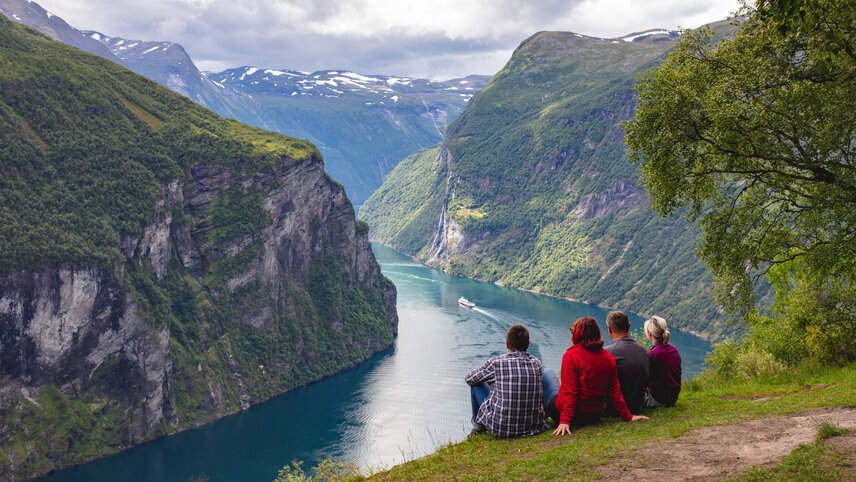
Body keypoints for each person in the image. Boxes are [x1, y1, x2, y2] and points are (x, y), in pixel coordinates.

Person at [551, 317, 649, 436]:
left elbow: (570, 392)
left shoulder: (570, 356)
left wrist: (565, 421)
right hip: (594, 415)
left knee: (548, 378)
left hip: (571, 416)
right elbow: (615, 392)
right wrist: (627, 416)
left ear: (577, 334)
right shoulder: (608, 358)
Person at [465, 324, 549, 438]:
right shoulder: (536, 363)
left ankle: (478, 429)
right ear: (528, 344)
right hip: (533, 426)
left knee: (476, 385)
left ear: (507, 344)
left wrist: (492, 382)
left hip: (501, 428)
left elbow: (469, 378)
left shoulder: (497, 363)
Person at [603, 310, 650, 414]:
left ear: (609, 329)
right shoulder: (644, 350)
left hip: (614, 409)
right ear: (629, 326)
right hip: (637, 405)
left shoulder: (607, 353)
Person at [642, 315, 682, 408]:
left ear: (649, 333)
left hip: (657, 399)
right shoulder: (674, 350)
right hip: (672, 398)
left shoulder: (653, 354)